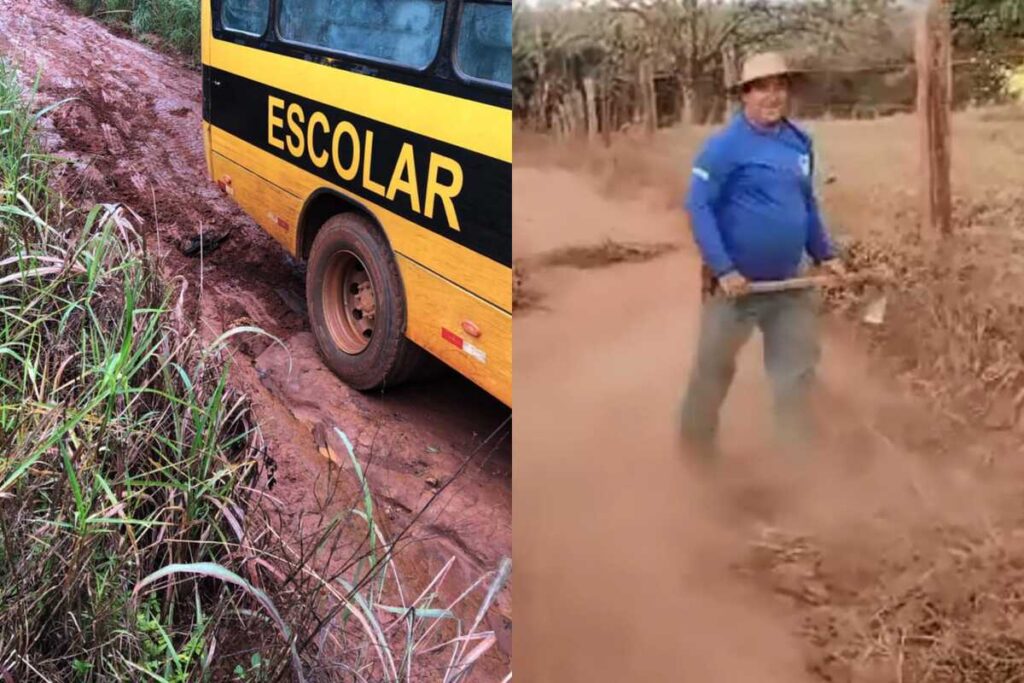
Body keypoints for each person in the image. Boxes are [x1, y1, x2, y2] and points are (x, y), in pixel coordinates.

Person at [679, 51, 845, 459]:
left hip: (790, 284)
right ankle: (696, 458)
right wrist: (725, 269)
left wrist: (826, 253)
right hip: (736, 289)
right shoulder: (723, 148)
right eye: (762, 87)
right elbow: (698, 208)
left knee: (795, 375)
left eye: (780, 86)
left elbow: (806, 206)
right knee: (713, 373)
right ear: (745, 95)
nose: (773, 96)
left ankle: (796, 466)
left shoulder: (799, 143)